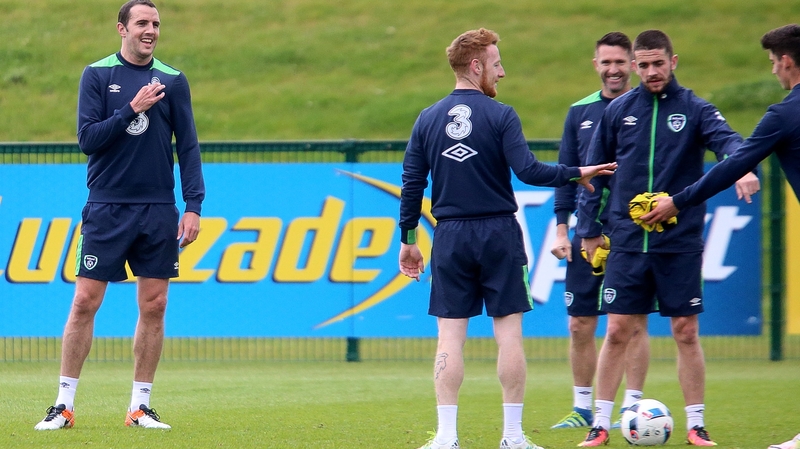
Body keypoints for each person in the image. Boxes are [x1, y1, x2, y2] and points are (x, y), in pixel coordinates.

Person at [398, 28, 617, 449]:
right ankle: (513, 436)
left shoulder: (427, 118)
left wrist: (408, 238)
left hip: (450, 236)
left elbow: (412, 182)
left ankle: (446, 437)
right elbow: (530, 171)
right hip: (499, 232)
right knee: (510, 333)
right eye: (497, 63)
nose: (503, 71)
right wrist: (578, 172)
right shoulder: (502, 115)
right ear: (476, 66)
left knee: (449, 335)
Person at [574, 29, 760, 447]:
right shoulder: (618, 111)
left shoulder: (695, 109)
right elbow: (593, 175)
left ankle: (696, 424)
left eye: (659, 63)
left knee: (685, 330)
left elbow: (729, 141)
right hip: (626, 241)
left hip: (680, 241)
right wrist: (588, 230)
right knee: (618, 329)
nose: (652, 71)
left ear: (673, 61)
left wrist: (741, 165)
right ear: (635, 66)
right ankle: (601, 424)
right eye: (644, 65)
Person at [35, 0, 204, 431]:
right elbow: (88, 139)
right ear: (121, 29)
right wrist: (132, 108)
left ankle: (140, 407)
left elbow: (187, 147)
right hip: (107, 207)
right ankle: (63, 404)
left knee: (155, 304)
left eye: (156, 24)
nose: (151, 30)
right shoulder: (97, 74)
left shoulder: (172, 80)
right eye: (142, 23)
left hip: (158, 209)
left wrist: (193, 206)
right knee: (84, 302)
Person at [634, 24, 800, 449]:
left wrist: (677, 202)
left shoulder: (785, 113)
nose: (773, 72)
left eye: (772, 63)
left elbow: (730, 164)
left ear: (785, 61)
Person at [550, 31, 651, 431]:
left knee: (632, 323)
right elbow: (565, 175)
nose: (613, 69)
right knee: (579, 322)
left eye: (619, 62)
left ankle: (633, 406)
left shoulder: (649, 109)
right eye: (605, 62)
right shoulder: (580, 112)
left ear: (632, 64)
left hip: (632, 231)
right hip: (586, 232)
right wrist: (562, 230)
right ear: (596, 66)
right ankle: (582, 407)